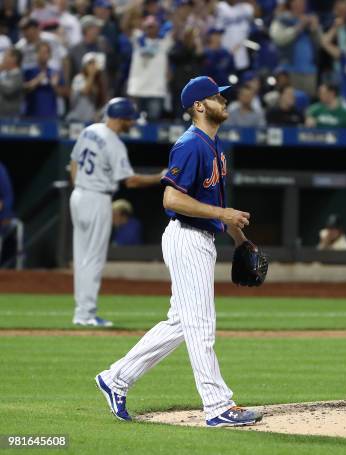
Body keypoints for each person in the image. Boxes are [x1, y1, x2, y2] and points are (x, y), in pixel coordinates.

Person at [95, 76, 264, 427]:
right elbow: (171, 198)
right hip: (186, 237)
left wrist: (238, 239)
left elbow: (212, 203)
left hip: (200, 238)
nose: (225, 101)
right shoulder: (191, 144)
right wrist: (223, 215)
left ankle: (116, 378)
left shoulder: (214, 147)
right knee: (201, 323)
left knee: (181, 323)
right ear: (199, 106)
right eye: (218, 97)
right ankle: (218, 406)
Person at [69, 98, 164, 327]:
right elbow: (130, 182)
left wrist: (80, 186)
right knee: (92, 259)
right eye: (131, 119)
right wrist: (160, 177)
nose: (132, 123)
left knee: (82, 257)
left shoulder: (90, 130)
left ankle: (81, 312)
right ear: (121, 118)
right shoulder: (114, 143)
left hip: (79, 195)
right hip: (96, 198)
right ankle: (86, 314)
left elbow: (73, 162)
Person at [126, 15, 173, 120]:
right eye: (148, 26)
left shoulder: (164, 41)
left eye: (153, 26)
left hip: (156, 90)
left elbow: (176, 31)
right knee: (132, 122)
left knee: (153, 123)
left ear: (158, 27)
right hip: (137, 89)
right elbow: (126, 26)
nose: (150, 28)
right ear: (144, 27)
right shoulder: (137, 38)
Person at [269, 0, 320, 96]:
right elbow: (278, 38)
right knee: (288, 101)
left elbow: (319, 43)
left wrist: (315, 29)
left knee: (307, 103)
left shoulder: (310, 19)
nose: (300, 4)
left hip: (310, 70)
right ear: (291, 3)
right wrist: (299, 27)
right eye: (297, 2)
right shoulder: (282, 19)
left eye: (303, 2)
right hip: (289, 70)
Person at [23, 41, 67, 118]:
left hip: (51, 115)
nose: (43, 55)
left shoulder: (55, 73)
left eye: (45, 52)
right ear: (36, 54)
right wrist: (36, 81)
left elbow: (64, 94)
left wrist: (54, 86)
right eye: (40, 52)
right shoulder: (28, 71)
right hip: (31, 115)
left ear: (50, 55)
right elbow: (22, 90)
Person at [66, 52, 107, 122]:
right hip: (76, 119)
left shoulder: (98, 81)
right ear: (84, 66)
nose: (93, 66)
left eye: (94, 63)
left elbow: (101, 101)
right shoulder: (78, 78)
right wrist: (92, 75)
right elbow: (86, 91)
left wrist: (98, 113)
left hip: (90, 119)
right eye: (90, 63)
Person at [0, 47, 23, 117]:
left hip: (10, 117)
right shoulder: (4, 75)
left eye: (6, 56)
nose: (3, 59)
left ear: (14, 59)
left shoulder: (18, 75)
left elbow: (9, 90)